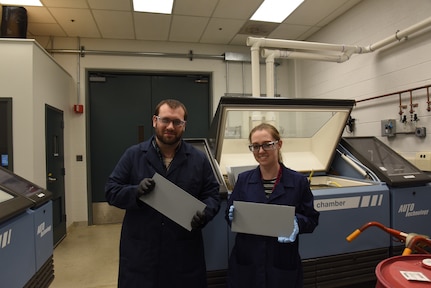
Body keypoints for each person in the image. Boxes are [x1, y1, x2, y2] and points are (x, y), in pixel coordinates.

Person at [105, 99, 221, 288]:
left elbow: (212, 194)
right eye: (165, 120)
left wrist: (206, 213)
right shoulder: (133, 155)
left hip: (183, 253)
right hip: (141, 253)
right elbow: (111, 190)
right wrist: (135, 192)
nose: (170, 126)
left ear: (184, 126)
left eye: (177, 122)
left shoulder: (198, 160)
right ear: (154, 121)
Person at [225, 123, 319, 288]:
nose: (261, 151)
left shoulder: (298, 182)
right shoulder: (243, 180)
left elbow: (311, 219)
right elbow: (229, 213)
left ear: (279, 144)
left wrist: (297, 223)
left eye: (267, 144)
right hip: (248, 262)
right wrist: (231, 215)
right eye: (255, 146)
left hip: (281, 263)